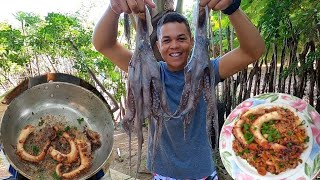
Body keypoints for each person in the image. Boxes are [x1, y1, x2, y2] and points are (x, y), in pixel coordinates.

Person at [92, 0, 265, 179]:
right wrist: (114, 8)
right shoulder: (149, 73)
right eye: (166, 40)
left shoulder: (207, 71)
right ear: (159, 45)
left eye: (181, 39)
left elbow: (252, 51)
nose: (174, 45)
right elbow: (104, 45)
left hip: (202, 172)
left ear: (191, 42)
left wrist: (232, 8)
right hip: (163, 172)